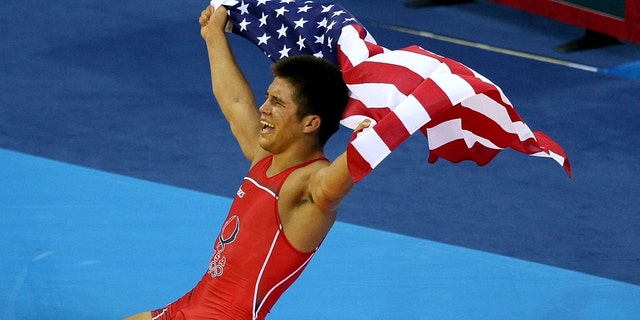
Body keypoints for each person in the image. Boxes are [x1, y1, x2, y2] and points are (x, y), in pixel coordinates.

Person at [124, 5, 370, 320]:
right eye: (268, 97)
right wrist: (214, 35)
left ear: (311, 124)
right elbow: (235, 101)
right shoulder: (265, 156)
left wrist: (372, 142)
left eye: (277, 103)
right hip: (190, 306)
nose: (263, 109)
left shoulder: (310, 185)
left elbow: (336, 184)